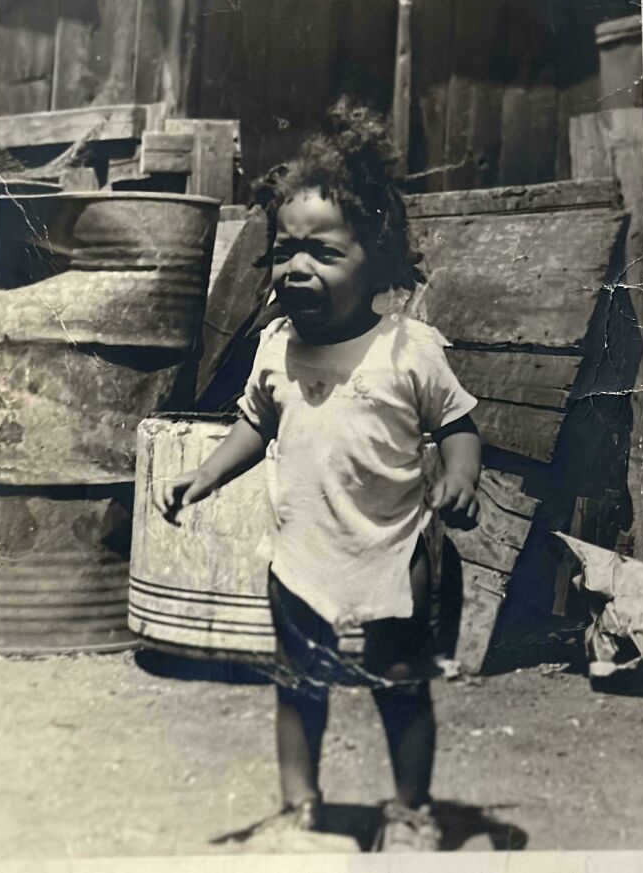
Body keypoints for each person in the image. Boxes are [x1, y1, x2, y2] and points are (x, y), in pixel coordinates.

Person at [156, 99, 481, 852]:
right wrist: (204, 474)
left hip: (392, 553)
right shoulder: (275, 346)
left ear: (381, 261)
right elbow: (256, 425)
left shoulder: (409, 349)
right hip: (300, 558)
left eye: (325, 252)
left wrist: (460, 475)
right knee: (298, 686)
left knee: (401, 685)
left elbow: (459, 426)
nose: (298, 266)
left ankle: (409, 810)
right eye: (286, 249)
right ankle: (298, 807)